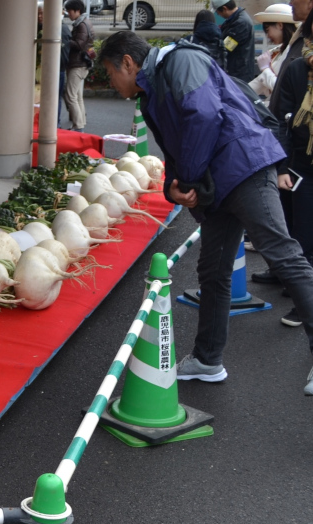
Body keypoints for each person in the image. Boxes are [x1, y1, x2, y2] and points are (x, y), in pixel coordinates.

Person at [97, 31, 313, 395]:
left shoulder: (180, 60)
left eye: (110, 72)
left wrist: (192, 181)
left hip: (242, 167)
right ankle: (208, 359)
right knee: (213, 270)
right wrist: (175, 186)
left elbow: (204, 114)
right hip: (218, 182)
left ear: (128, 63)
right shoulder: (153, 87)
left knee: (284, 256)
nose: (111, 81)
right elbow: (176, 147)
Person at [251, 0, 312, 282]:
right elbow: (285, 109)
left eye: (269, 27)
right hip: (294, 151)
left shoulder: (298, 53)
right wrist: (283, 165)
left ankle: (301, 290)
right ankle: (287, 275)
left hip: (299, 151)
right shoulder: (296, 59)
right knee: (293, 222)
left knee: (304, 228)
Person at [249, 4, 298, 103]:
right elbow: (260, 82)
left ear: (280, 25)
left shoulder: (295, 51)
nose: (268, 36)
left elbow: (283, 88)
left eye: (268, 31)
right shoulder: (279, 50)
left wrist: (265, 69)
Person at [63, 0, 94, 132]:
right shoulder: (85, 22)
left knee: (70, 96)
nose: (68, 13)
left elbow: (80, 44)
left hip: (78, 64)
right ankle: (81, 123)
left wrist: (65, 40)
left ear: (77, 11)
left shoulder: (81, 25)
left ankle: (78, 126)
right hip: (82, 63)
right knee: (77, 96)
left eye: (69, 11)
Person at [213, 0, 258, 82]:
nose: (218, 15)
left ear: (225, 8)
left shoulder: (240, 23)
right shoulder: (235, 20)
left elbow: (227, 47)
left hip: (239, 73)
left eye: (218, 12)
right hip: (237, 70)